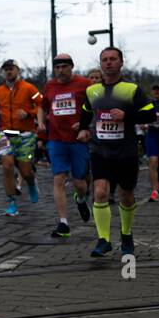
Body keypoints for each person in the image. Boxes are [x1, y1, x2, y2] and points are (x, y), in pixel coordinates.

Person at [77, 47, 155, 257]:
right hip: (100, 149)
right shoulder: (92, 91)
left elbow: (150, 114)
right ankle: (104, 240)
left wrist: (127, 115)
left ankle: (126, 233)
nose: (109, 63)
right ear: (101, 64)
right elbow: (85, 112)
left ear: (121, 63)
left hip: (126, 150)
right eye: (105, 60)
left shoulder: (131, 89)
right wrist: (84, 129)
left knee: (126, 195)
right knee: (100, 192)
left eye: (113, 59)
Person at [38, 53, 91, 238]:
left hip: (78, 140)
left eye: (64, 67)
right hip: (56, 139)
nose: (60, 71)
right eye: (57, 67)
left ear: (71, 67)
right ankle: (63, 223)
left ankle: (81, 198)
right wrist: (41, 122)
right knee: (58, 179)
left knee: (79, 182)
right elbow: (42, 106)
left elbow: (96, 106)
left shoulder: (85, 84)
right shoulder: (50, 85)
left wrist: (85, 125)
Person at [0, 59, 42, 216]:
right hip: (6, 133)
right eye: (6, 69)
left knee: (26, 171)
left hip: (26, 134)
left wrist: (29, 113)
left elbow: (42, 104)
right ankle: (11, 202)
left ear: (18, 70)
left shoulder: (29, 88)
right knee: (7, 165)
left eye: (11, 69)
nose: (8, 72)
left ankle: (31, 183)